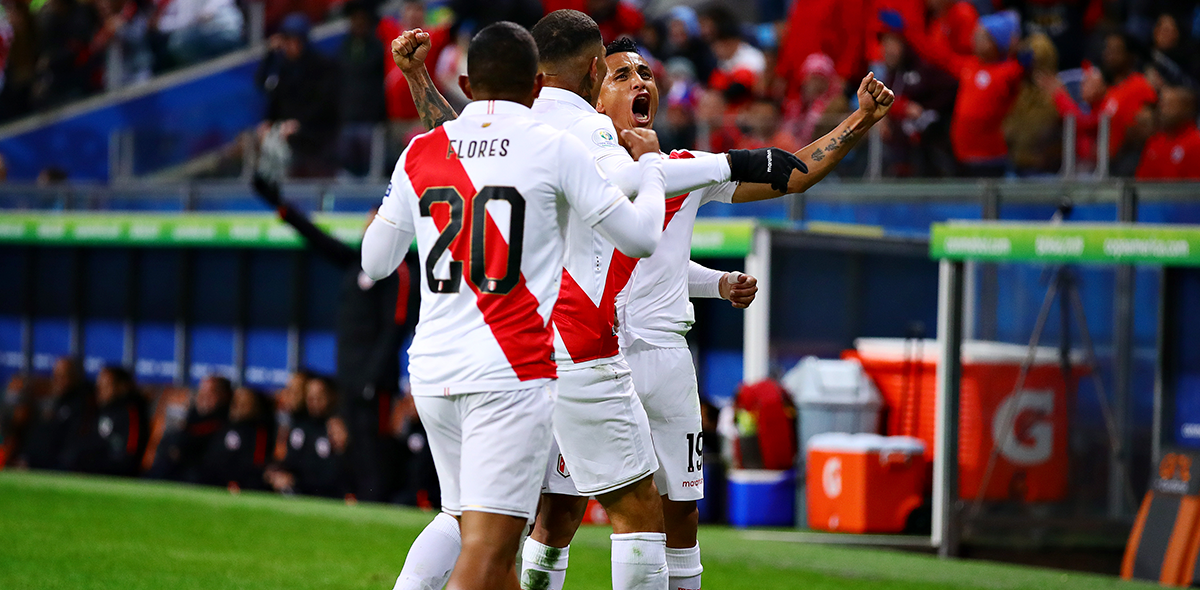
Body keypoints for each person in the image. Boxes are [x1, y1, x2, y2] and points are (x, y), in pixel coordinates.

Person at [388, 10, 804, 589]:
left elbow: (448, 145)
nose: (633, 81)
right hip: (572, 341)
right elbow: (631, 194)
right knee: (635, 509)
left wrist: (417, 78)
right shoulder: (589, 130)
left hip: (486, 342)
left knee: (475, 514)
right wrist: (731, 161)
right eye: (616, 71)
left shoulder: (511, 130)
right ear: (593, 73)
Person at [362, 20, 671, 590]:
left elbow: (375, 261)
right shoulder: (554, 148)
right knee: (489, 547)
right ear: (535, 85)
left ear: (466, 83)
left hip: (431, 372)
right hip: (509, 369)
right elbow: (641, 238)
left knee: (466, 522)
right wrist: (652, 167)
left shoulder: (421, 151)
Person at [251, 180, 411, 503]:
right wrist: (282, 208)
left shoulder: (399, 271)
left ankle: (378, 503)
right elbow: (316, 237)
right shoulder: (354, 262)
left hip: (375, 382)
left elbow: (396, 328)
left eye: (377, 223)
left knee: (374, 444)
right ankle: (357, 502)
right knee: (350, 444)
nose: (369, 229)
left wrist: (372, 378)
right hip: (348, 377)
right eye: (369, 223)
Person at [886, 8, 1025, 176]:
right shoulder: (969, 67)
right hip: (963, 155)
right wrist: (908, 32)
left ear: (996, 42)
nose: (975, 39)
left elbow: (1027, 65)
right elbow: (939, 56)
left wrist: (1018, 51)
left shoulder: (1009, 71)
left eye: (982, 37)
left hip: (992, 156)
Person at [255, 13, 340, 178]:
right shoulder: (281, 65)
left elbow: (324, 104)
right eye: (285, 40)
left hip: (314, 133)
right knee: (260, 143)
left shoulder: (321, 66)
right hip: (284, 129)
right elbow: (264, 86)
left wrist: (299, 123)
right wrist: (269, 55)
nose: (288, 46)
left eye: (293, 40)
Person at [65, 365, 147, 476]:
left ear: (121, 387)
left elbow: (129, 455)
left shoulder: (131, 413)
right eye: (99, 386)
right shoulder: (97, 409)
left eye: (106, 386)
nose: (100, 391)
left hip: (118, 472)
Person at [146, 374, 231, 482]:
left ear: (223, 396)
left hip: (201, 478)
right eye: (201, 392)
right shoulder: (191, 418)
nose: (203, 398)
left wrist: (181, 451)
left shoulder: (226, 425)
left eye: (211, 393)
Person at [13, 357, 91, 470]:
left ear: (75, 376)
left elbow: (68, 444)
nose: (58, 380)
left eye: (64, 376)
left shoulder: (81, 404)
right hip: (32, 462)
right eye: (56, 375)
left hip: (58, 467)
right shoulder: (50, 400)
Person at [1097, 32, 1158, 164]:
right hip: (1106, 163)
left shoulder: (1140, 85)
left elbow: (1148, 127)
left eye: (1115, 51)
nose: (1109, 55)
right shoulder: (1109, 90)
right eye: (1107, 49)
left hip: (1129, 161)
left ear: (1130, 56)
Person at [200, 385, 274, 490]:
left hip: (243, 484)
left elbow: (257, 464)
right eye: (236, 402)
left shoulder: (259, 432)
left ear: (255, 407)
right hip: (215, 480)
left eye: (244, 403)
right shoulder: (222, 425)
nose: (238, 406)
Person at [1136, 85, 1200, 179]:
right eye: (1162, 105)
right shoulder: (1155, 142)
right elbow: (1141, 181)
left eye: (1169, 106)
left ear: (1186, 107)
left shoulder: (1195, 144)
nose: (1163, 111)